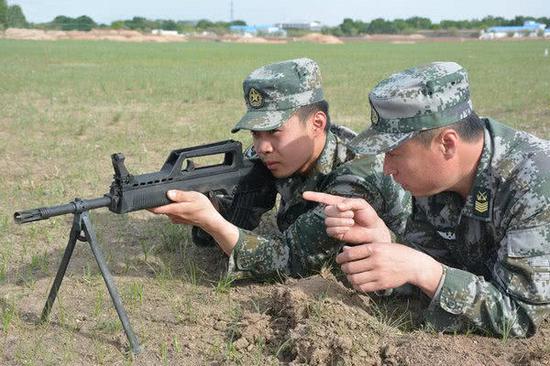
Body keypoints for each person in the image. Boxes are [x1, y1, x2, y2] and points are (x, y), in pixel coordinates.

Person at [304, 61, 550, 337]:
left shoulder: (535, 182)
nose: (386, 168)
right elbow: (445, 266)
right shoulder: (435, 180)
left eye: (394, 153)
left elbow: (520, 316)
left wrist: (425, 271)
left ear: (447, 144)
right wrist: (385, 242)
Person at [149, 58, 410, 280]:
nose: (262, 147)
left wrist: (213, 222)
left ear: (317, 124)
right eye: (256, 134)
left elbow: (292, 260)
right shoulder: (273, 155)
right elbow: (239, 213)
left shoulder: (356, 175)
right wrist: (215, 208)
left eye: (274, 131)